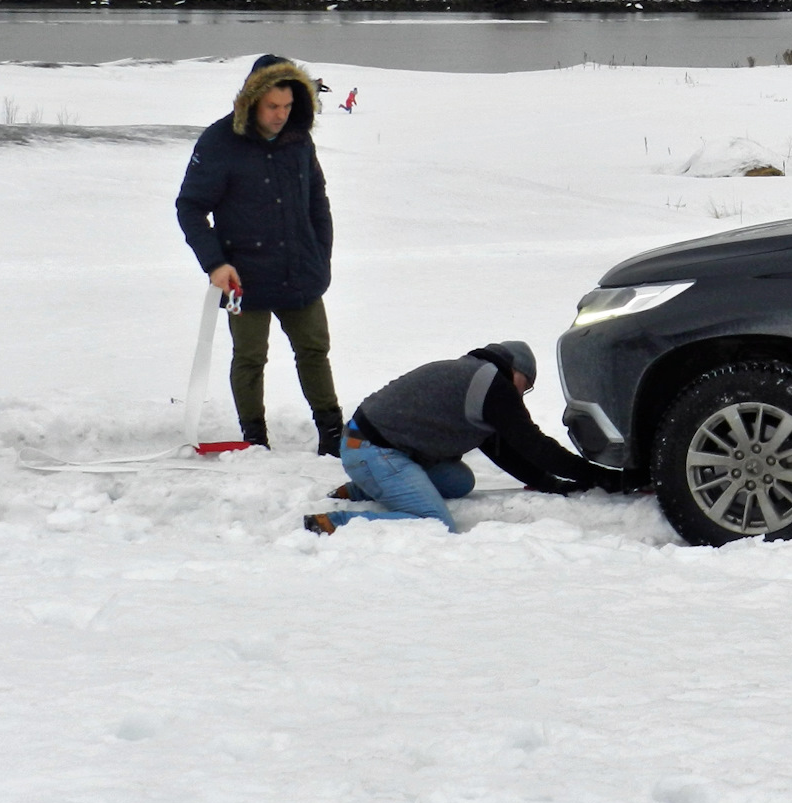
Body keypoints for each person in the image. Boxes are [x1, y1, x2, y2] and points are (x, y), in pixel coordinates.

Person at [175, 54, 343, 455]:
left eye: (287, 106)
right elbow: (190, 207)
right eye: (273, 106)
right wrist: (215, 264)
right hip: (242, 278)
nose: (281, 115)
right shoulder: (219, 142)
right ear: (252, 101)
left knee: (314, 351)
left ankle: (334, 435)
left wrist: (321, 254)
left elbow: (317, 201)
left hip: (301, 271)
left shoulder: (299, 139)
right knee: (250, 357)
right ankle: (254, 438)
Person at [305, 340, 608, 534]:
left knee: (460, 481)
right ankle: (337, 523)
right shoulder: (492, 386)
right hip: (372, 450)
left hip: (367, 446)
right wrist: (601, 478)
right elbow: (535, 445)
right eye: (524, 385)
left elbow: (503, 449)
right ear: (514, 370)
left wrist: (548, 483)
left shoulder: (473, 377)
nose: (521, 395)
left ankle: (359, 489)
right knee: (435, 523)